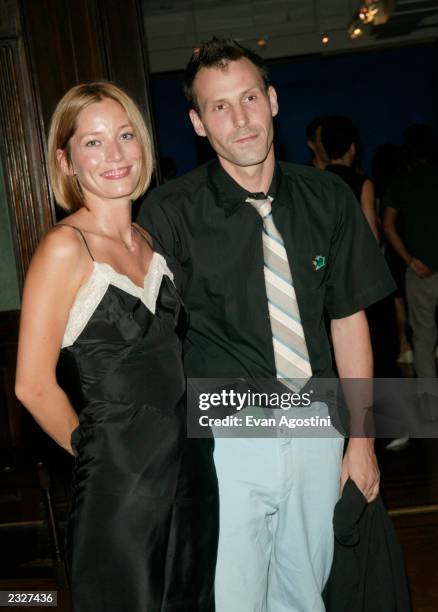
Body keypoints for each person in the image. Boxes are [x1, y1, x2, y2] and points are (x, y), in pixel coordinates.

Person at [139, 39, 395, 612]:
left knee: (307, 593)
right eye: (219, 106)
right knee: (233, 598)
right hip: (228, 433)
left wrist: (363, 440)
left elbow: (349, 322)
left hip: (316, 425)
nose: (241, 118)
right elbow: (151, 342)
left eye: (249, 97)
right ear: (198, 123)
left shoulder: (327, 197)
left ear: (273, 100)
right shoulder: (170, 213)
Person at [15, 82, 218, 611]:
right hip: (122, 490)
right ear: (66, 160)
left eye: (125, 135)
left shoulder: (149, 242)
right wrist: (97, 454)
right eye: (93, 142)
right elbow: (33, 385)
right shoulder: (65, 248)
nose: (115, 154)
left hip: (193, 478)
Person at [383, 124, 438, 378]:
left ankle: (429, 408)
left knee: (423, 339)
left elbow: (388, 226)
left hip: (419, 272)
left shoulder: (401, 183)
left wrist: (409, 260)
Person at [321, 116, 380, 242]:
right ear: (352, 148)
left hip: (322, 257)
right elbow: (372, 237)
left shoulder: (313, 181)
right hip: (352, 256)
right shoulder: (363, 183)